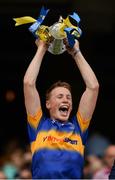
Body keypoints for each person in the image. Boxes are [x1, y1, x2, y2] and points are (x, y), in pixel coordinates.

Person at [23, 38, 99, 179]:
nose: (66, 99)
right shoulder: (38, 124)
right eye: (59, 97)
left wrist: (76, 52)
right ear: (48, 104)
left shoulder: (79, 127)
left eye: (68, 97)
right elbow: (28, 84)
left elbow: (93, 87)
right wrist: (42, 48)